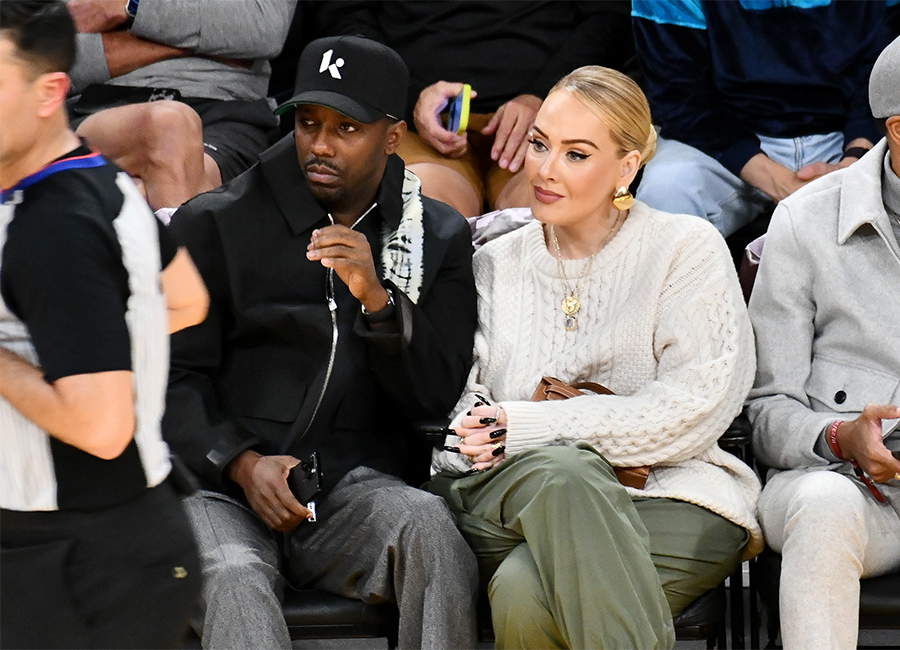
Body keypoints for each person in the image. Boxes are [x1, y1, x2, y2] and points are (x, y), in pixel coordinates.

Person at [427, 65, 762, 649]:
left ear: (628, 167)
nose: (545, 170)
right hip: (514, 496)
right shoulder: (493, 263)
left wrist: (529, 425)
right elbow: (461, 414)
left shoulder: (684, 249)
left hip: (671, 493)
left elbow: (696, 407)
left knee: (525, 591)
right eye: (539, 144)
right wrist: (485, 433)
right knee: (564, 474)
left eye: (576, 154)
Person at [163, 35, 480, 650]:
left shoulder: (434, 233)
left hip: (349, 486)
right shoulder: (214, 223)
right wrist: (242, 462)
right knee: (232, 577)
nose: (322, 144)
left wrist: (381, 302)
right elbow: (165, 381)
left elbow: (436, 394)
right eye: (308, 123)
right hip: (218, 486)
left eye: (347, 127)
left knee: (431, 532)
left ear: (393, 135)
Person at [0, 2, 209, 648]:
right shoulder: (101, 179)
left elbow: (100, 427)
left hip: (72, 556)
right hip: (122, 538)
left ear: (51, 92)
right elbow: (186, 300)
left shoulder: (52, 227)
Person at [747, 35, 900, 650]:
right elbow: (763, 411)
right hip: (849, 488)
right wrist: (840, 439)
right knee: (824, 504)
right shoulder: (805, 222)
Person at [318, 1, 633, 218]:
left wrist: (550, 96)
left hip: (549, 119)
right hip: (417, 121)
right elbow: (345, 18)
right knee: (423, 222)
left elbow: (609, 18)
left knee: (554, 227)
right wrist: (408, 96)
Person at [631, 0, 897, 237]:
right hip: (723, 141)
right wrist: (776, 180)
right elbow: (679, 94)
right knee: (665, 193)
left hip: (851, 133)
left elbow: (886, 76)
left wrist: (855, 159)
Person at [64, 0, 297, 219]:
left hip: (223, 113)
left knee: (159, 161)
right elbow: (51, 59)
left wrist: (132, 6)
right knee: (168, 130)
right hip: (94, 109)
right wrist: (203, 44)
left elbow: (262, 29)